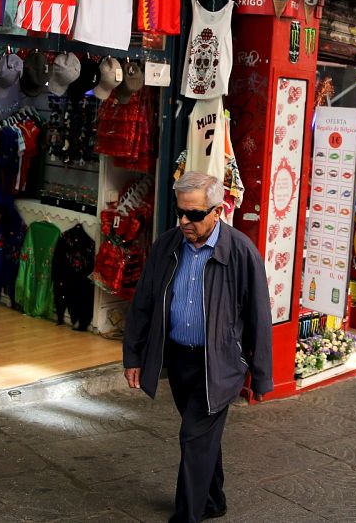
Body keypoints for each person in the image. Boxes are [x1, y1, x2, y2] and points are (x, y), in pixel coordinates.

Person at [123, 171, 273, 522]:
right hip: (179, 360)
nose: (184, 221)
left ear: (217, 211)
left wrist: (262, 376)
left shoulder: (240, 252)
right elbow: (143, 303)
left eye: (193, 214)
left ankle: (187, 514)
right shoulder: (166, 245)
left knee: (193, 436)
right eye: (181, 212)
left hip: (219, 364)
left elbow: (258, 318)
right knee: (202, 436)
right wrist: (134, 355)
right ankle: (214, 499)